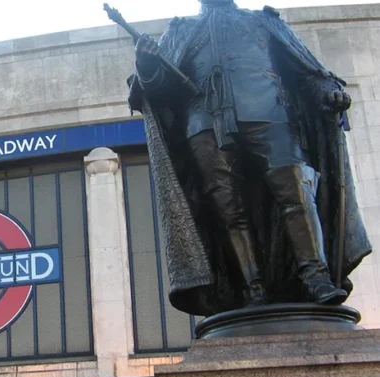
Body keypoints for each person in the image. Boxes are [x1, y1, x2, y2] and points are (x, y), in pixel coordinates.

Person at [128, 0, 371, 316]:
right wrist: (146, 65)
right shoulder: (181, 29)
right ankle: (252, 289)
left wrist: (328, 91)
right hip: (204, 125)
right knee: (228, 211)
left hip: (271, 113)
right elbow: (158, 89)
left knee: (296, 190)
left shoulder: (264, 22)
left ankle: (317, 277)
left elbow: (305, 69)